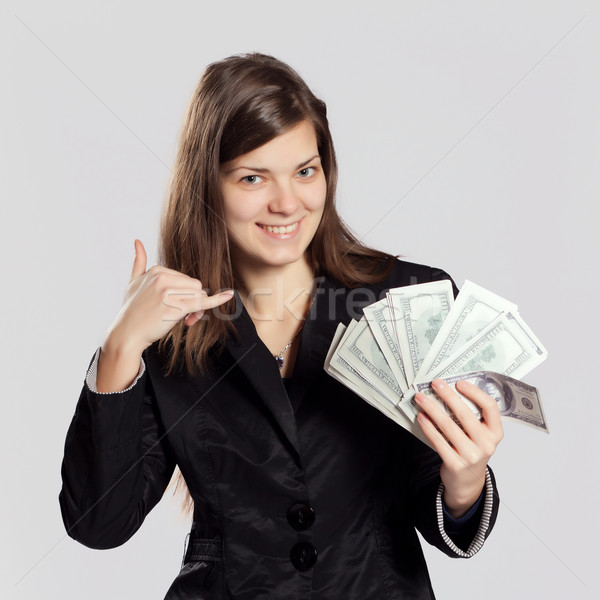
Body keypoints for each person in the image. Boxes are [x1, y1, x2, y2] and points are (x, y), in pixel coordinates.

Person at [59, 53, 504, 599]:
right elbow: (100, 524)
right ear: (208, 185)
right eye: (253, 177)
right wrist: (121, 345)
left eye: (304, 171)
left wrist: (465, 481)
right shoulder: (170, 331)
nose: (287, 202)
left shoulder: (409, 299)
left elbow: (436, 510)